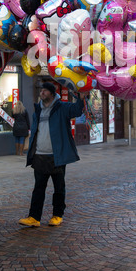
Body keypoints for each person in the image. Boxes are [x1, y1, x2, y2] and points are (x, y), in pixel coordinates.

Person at [19, 82, 86, 228]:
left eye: (44, 91)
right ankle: (34, 217)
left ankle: (57, 215)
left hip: (57, 156)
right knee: (38, 188)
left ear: (51, 93)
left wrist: (80, 98)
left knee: (59, 187)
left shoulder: (62, 107)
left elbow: (76, 110)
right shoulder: (38, 110)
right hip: (40, 155)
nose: (42, 93)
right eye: (41, 90)